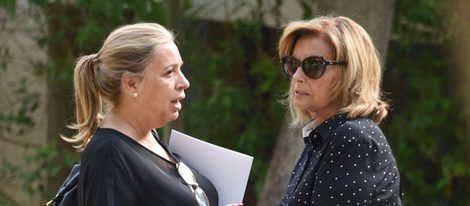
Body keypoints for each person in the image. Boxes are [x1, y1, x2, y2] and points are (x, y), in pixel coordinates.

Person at [62, 22, 237, 206]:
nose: (184, 82)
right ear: (131, 84)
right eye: (169, 72)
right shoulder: (108, 154)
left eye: (180, 69)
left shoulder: (147, 135)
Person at [277, 16, 403, 205]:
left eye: (313, 65)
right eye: (293, 64)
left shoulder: (354, 138)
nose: (297, 76)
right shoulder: (321, 138)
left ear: (350, 73)